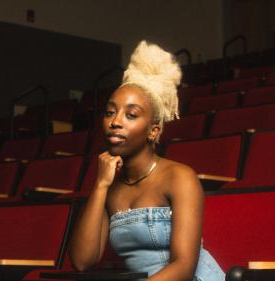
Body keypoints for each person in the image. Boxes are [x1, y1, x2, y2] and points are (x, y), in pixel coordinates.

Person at [69, 40, 225, 281]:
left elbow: (184, 267)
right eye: (110, 112)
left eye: (131, 115)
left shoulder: (180, 177)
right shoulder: (110, 184)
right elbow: (82, 261)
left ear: (153, 131)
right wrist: (100, 185)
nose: (115, 122)